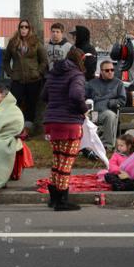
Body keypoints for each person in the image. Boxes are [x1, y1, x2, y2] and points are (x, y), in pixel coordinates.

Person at [42, 47, 88, 211]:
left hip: (52, 122)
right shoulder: (76, 75)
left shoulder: (54, 73)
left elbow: (44, 96)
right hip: (69, 123)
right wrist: (84, 109)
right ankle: (62, 200)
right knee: (66, 163)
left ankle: (53, 198)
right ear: (80, 60)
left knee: (57, 160)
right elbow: (76, 95)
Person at [2, 19, 47, 130]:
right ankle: (15, 126)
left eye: (26, 27)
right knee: (13, 102)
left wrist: (38, 72)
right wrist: (10, 73)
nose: (23, 29)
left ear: (29, 29)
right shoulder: (13, 42)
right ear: (19, 28)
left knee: (31, 104)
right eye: (21, 27)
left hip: (34, 79)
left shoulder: (36, 42)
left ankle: (27, 129)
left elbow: (44, 60)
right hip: (18, 79)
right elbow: (6, 60)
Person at [85, 60, 127, 151]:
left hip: (107, 111)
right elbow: (84, 97)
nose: (110, 72)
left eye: (112, 70)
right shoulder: (92, 83)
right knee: (83, 117)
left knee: (110, 115)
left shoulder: (118, 84)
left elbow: (122, 100)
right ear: (101, 71)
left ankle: (107, 146)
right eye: (107, 70)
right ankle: (86, 147)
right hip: (93, 112)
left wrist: (110, 102)